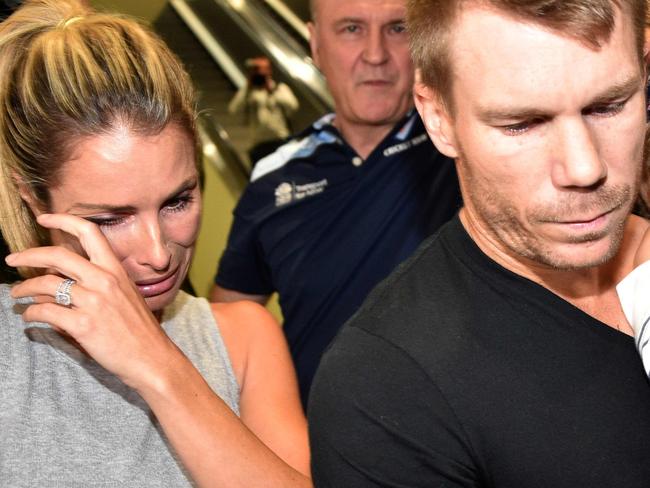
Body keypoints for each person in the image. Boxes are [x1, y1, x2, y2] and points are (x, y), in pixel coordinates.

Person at [308, 0, 650, 486]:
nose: (584, 168)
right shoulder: (384, 385)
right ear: (439, 117)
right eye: (522, 124)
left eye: (609, 105)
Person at [0, 1, 310, 487]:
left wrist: (157, 365)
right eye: (110, 218)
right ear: (32, 196)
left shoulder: (243, 340)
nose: (158, 253)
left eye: (177, 201)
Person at [211, 0, 462, 406]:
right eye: (351, 29)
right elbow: (224, 329)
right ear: (315, 44)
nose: (376, 54)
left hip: (462, 444)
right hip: (317, 448)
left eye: (398, 29)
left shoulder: (465, 144)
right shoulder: (275, 178)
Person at [228, 56, 299, 165]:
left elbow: (293, 105)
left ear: (269, 70)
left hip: (280, 139)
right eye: (256, 70)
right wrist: (248, 86)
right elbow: (233, 109)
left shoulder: (279, 88)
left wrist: (271, 90)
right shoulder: (249, 92)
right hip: (258, 144)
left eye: (261, 69)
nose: (259, 73)